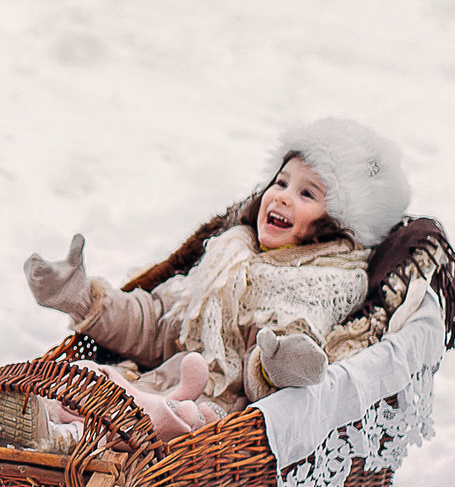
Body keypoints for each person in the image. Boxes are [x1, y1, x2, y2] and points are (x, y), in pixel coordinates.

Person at [21, 119, 414, 422]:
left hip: (214, 422)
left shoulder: (324, 282)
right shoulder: (228, 254)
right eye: (281, 182)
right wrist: (84, 299)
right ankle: (29, 429)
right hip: (160, 386)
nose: (281, 196)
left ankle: (63, 435)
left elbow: (289, 357)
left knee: (155, 418)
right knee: (86, 379)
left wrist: (277, 362)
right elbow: (158, 325)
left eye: (306, 193)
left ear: (336, 224)